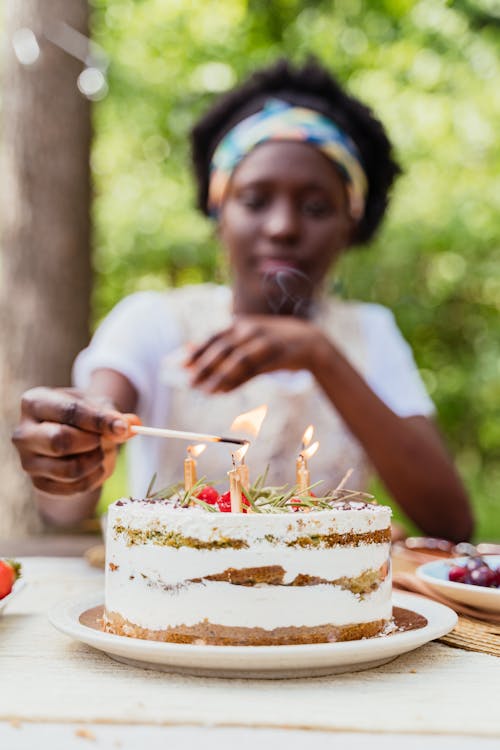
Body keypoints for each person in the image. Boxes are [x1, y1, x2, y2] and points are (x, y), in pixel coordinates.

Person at [12, 59, 473, 541]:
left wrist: (318, 354)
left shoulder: (369, 334)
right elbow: (67, 505)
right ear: (219, 212)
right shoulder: (154, 321)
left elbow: (451, 524)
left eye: (316, 207)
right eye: (255, 200)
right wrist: (69, 447)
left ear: (349, 224)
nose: (283, 227)